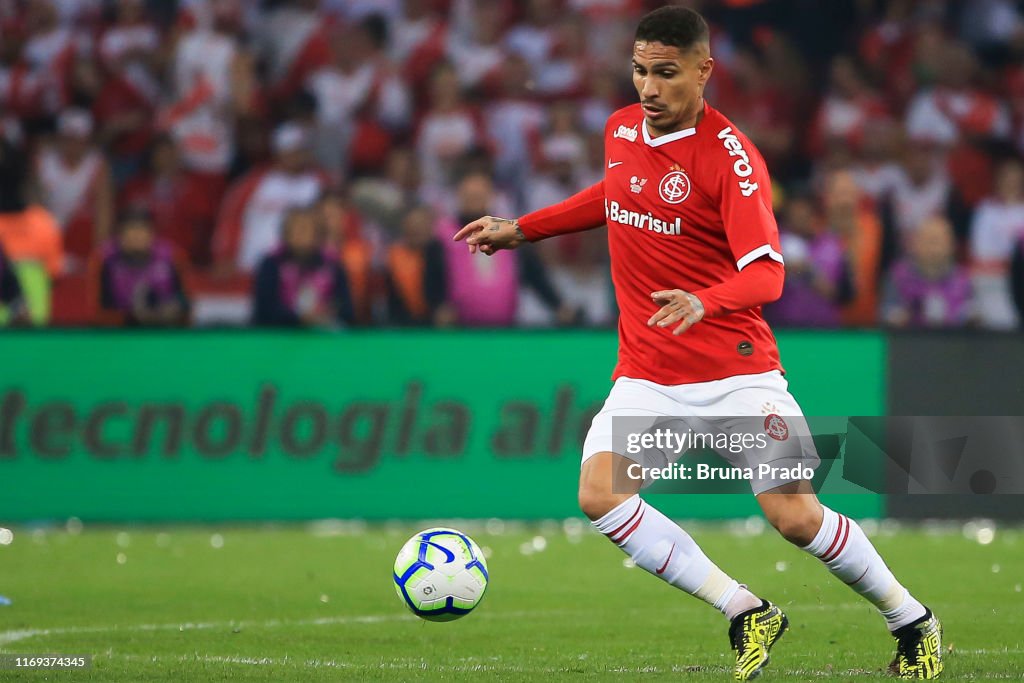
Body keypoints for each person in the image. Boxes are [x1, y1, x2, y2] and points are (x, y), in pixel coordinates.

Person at [454, 7, 942, 680]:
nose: (648, 88)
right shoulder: (620, 127)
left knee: (796, 517)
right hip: (650, 373)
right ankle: (745, 608)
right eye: (639, 71)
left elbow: (768, 272)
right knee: (600, 494)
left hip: (735, 370)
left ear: (703, 71)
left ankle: (911, 618)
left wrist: (704, 299)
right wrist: (525, 229)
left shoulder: (731, 159)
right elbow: (615, 192)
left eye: (665, 73)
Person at [251, 206, 353, 329]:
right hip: (280, 336)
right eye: (295, 229)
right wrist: (299, 318)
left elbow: (346, 310)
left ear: (318, 234)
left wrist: (328, 313)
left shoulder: (332, 264)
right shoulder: (271, 263)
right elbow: (264, 311)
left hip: (323, 336)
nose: (300, 235)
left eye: (305, 229)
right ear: (285, 234)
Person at [89, 209, 190, 327]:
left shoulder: (171, 256)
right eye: (131, 230)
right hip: (120, 332)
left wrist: (174, 310)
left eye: (142, 230)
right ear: (119, 234)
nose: (137, 235)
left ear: (152, 233)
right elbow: (98, 310)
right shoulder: (105, 259)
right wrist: (133, 316)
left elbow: (186, 300)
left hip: (167, 329)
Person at [881, 215, 972, 329]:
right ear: (915, 244)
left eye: (939, 240)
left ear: (952, 245)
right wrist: (898, 317)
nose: (933, 247)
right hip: (910, 343)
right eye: (928, 240)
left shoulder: (964, 279)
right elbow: (886, 312)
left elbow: (973, 313)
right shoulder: (898, 276)